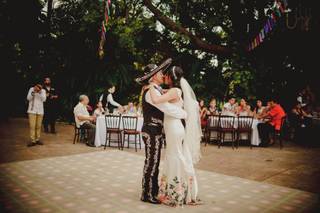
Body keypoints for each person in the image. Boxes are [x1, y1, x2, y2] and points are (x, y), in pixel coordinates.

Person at [135, 59, 187, 205]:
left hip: (155, 130)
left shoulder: (155, 91)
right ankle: (147, 193)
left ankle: (152, 190)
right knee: (152, 162)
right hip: (151, 129)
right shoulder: (150, 93)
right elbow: (167, 108)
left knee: (154, 162)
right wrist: (184, 113)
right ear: (152, 77)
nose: (162, 74)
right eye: (159, 73)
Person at [148, 66, 202, 206]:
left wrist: (150, 85)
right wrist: (157, 88)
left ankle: (177, 192)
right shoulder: (176, 91)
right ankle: (184, 190)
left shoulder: (174, 91)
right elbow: (162, 93)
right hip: (175, 127)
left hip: (174, 127)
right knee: (177, 154)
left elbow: (156, 100)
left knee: (175, 156)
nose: (164, 77)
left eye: (166, 75)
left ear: (171, 78)